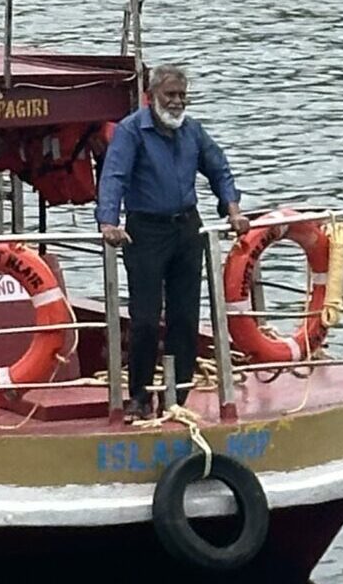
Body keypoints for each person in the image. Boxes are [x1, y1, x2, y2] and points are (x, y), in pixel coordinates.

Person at [96, 65, 250, 418]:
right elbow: (114, 176)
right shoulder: (131, 131)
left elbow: (218, 168)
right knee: (146, 319)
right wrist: (109, 221)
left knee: (185, 317)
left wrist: (233, 210)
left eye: (182, 95)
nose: (178, 102)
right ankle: (139, 396)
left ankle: (179, 396)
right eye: (170, 95)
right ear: (152, 98)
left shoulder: (193, 131)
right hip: (145, 231)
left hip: (186, 229)